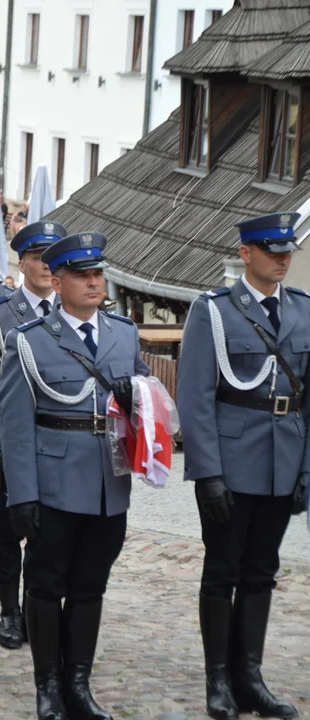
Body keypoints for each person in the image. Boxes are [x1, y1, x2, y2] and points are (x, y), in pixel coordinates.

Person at [0, 232, 150, 720]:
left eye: (98, 274)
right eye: (82, 275)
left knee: (90, 585)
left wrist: (137, 396)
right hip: (54, 484)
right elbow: (15, 424)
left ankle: (79, 684)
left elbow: (148, 401)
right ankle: (48, 687)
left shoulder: (123, 333)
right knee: (45, 585)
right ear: (58, 280)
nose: (93, 282)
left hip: (109, 483)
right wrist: (21, 495)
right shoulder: (30, 341)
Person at [177, 212, 308, 720]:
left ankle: (250, 678)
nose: (282, 258)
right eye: (271, 250)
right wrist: (207, 472)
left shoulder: (303, 310)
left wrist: (306, 470)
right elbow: (195, 397)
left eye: (287, 250)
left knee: (261, 572)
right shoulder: (214, 311)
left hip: (284, 460)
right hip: (231, 463)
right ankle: (219, 683)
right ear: (245, 253)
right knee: (222, 571)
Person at [0, 220, 66, 651]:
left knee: (52, 529)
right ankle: (10, 609)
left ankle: (38, 605)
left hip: (59, 444)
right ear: (22, 262)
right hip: (11, 445)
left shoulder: (72, 310)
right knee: (10, 526)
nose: (46, 266)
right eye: (38, 257)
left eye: (52, 258)